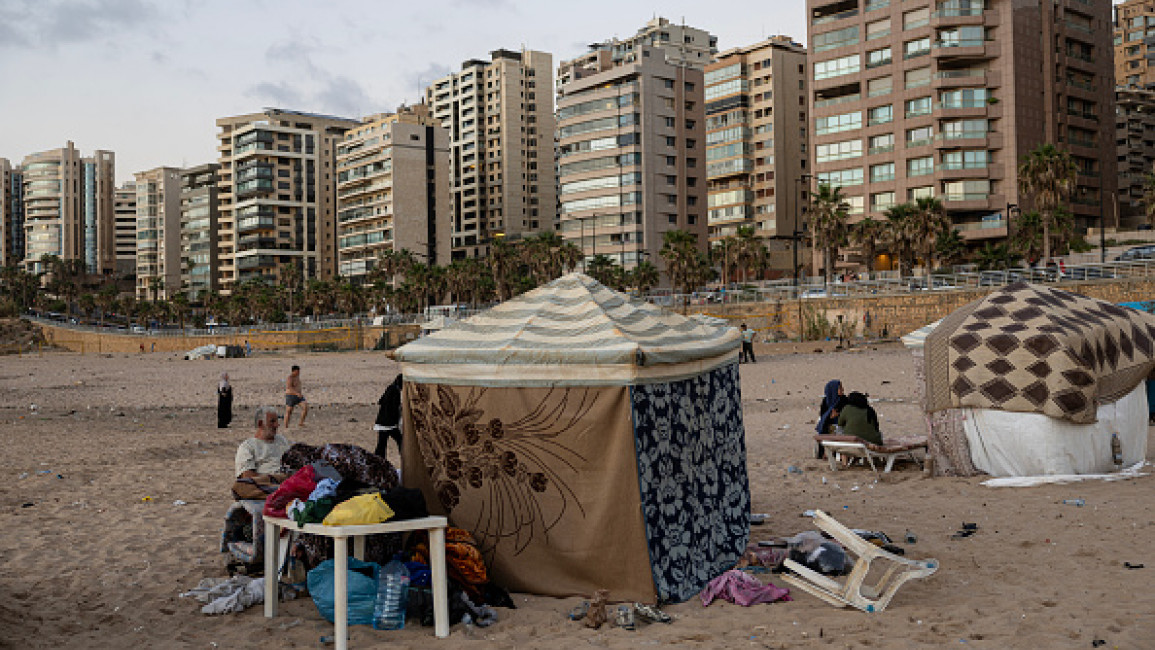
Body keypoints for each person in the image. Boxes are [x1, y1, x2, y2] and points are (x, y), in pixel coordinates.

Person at [234, 406, 292, 481]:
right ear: (260, 424)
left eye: (277, 421)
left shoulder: (281, 440)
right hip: (267, 486)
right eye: (272, 421)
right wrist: (275, 479)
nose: (277, 425)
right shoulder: (248, 447)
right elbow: (247, 476)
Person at [374, 373, 404, 459]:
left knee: (381, 444)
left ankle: (379, 462)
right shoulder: (394, 391)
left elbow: (381, 401)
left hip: (383, 421)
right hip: (388, 423)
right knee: (399, 440)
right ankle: (404, 458)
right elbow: (393, 407)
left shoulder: (391, 388)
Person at [815, 379, 847, 458]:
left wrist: (838, 414)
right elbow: (823, 415)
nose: (842, 389)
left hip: (840, 424)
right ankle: (823, 453)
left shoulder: (844, 400)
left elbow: (846, 413)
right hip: (828, 423)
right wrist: (830, 416)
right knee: (824, 426)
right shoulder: (826, 401)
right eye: (840, 388)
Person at [284, 365, 308, 429]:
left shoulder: (297, 377)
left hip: (298, 396)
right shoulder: (290, 378)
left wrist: (299, 393)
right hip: (291, 396)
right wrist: (296, 393)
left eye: (299, 371)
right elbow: (289, 387)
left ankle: (301, 422)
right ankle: (286, 426)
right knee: (289, 411)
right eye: (297, 371)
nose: (298, 373)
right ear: (293, 371)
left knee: (305, 407)